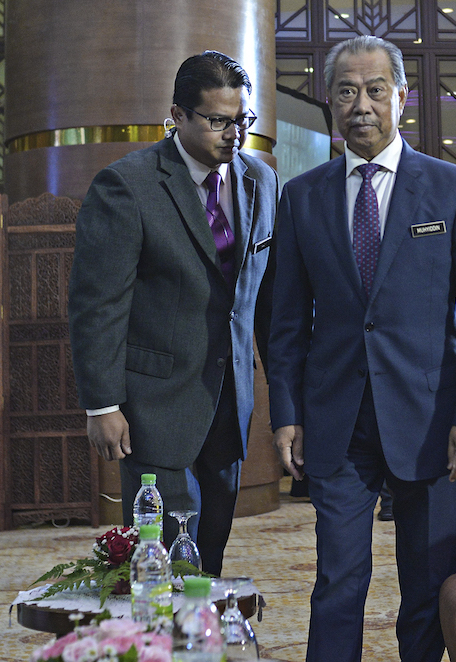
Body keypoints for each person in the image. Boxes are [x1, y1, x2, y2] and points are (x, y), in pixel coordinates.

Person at [267, 35, 456, 662]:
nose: (362, 104)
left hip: (433, 421)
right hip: (335, 420)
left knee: (428, 585)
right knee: (337, 580)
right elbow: (287, 320)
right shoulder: (302, 197)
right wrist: (287, 412)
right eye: (347, 91)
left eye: (376, 90)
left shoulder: (455, 189)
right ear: (330, 102)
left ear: (404, 97)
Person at [68, 51, 277, 576]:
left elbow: (264, 297)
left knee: (211, 558)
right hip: (154, 406)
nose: (235, 135)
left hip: (230, 403)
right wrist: (101, 405)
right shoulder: (128, 185)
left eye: (243, 120)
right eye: (219, 121)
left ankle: (202, 650)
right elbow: (98, 304)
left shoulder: (261, 182)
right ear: (178, 116)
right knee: (165, 562)